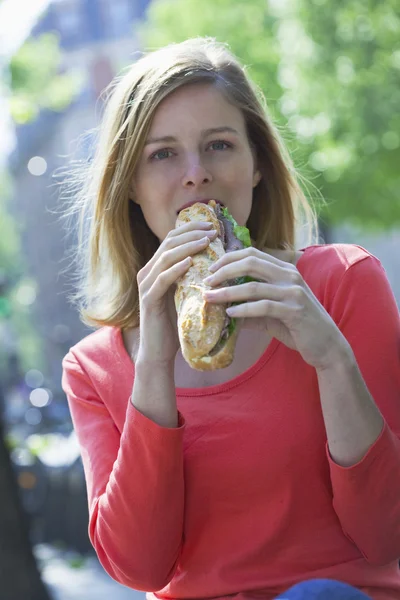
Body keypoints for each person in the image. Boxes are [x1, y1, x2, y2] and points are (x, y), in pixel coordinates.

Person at [61, 37, 400, 600]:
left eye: (219, 145)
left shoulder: (342, 282)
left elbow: (387, 535)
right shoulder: (93, 368)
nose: (196, 175)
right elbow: (140, 569)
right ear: (131, 188)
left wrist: (332, 359)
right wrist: (155, 363)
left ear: (257, 165)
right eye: (163, 154)